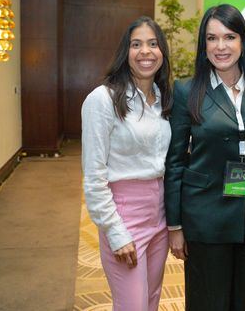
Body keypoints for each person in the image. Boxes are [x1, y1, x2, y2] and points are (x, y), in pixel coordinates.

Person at [164, 4, 245, 311]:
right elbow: (174, 161)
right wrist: (174, 225)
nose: (221, 46)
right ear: (204, 44)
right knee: (207, 302)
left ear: (242, 42)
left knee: (243, 301)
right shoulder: (188, 90)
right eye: (212, 38)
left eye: (229, 37)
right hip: (205, 216)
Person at [81, 16, 172, 311]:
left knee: (151, 299)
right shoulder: (102, 100)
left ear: (162, 52)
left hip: (159, 216)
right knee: (132, 306)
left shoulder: (163, 99)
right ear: (126, 52)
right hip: (123, 215)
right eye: (136, 44)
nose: (145, 51)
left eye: (153, 44)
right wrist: (114, 230)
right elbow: (94, 176)